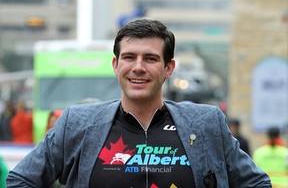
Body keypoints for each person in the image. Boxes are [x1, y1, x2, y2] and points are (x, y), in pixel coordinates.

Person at [6, 19, 271, 187]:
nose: (138, 67)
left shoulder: (206, 124)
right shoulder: (76, 123)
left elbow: (258, 183)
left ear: (169, 68)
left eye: (151, 59)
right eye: (129, 57)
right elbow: (19, 180)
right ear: (115, 65)